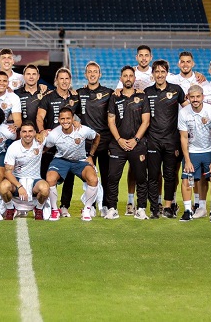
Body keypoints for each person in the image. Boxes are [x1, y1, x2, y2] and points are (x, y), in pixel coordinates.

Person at [105, 66, 151, 220]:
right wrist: (119, 140)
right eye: (125, 76)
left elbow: (146, 121)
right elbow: (111, 121)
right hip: (118, 145)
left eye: (131, 75)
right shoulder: (114, 97)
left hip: (137, 145)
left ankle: (142, 208)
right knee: (112, 178)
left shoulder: (142, 97)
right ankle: (112, 208)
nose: (128, 78)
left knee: (141, 177)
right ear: (121, 79)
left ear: (135, 79)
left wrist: (135, 139)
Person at [143, 59, 186, 218]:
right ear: (152, 74)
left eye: (162, 72)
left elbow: (188, 109)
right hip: (153, 140)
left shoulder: (176, 90)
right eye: (157, 72)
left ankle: (168, 207)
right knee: (153, 176)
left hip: (171, 141)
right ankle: (155, 208)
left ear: (167, 73)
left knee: (169, 175)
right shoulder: (147, 92)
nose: (159, 75)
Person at [36, 67, 81, 216]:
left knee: (69, 177)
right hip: (51, 145)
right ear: (56, 81)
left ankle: (64, 206)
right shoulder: (48, 97)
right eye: (61, 78)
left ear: (70, 81)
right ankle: (46, 204)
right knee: (46, 175)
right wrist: (42, 130)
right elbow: (39, 117)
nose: (64, 81)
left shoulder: (75, 98)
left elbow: (81, 117)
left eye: (67, 79)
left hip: (69, 144)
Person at [43, 107, 101, 221]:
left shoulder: (83, 130)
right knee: (50, 179)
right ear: (59, 119)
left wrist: (91, 156)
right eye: (62, 119)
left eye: (68, 118)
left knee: (93, 179)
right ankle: (54, 210)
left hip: (80, 161)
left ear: (73, 118)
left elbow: (97, 136)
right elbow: (45, 148)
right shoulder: (54, 134)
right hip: (61, 160)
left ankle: (87, 210)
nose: (65, 121)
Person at [177, 84, 211, 222]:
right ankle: (187, 211)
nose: (195, 99)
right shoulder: (184, 112)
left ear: (202, 97)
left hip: (209, 151)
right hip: (192, 152)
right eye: (192, 97)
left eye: (198, 96)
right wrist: (187, 160)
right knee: (187, 179)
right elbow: (183, 137)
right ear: (188, 98)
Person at [76, 61, 113, 215]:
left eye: (95, 71)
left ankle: (105, 206)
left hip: (104, 141)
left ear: (100, 74)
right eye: (89, 72)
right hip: (86, 143)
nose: (92, 74)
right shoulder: (79, 93)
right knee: (88, 177)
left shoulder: (109, 93)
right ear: (85, 75)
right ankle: (89, 206)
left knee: (106, 175)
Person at [0, 121, 51, 220]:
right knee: (3, 186)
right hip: (17, 179)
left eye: (30, 131)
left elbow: (58, 131)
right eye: (24, 131)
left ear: (35, 132)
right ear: (20, 133)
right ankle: (10, 208)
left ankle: (38, 209)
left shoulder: (40, 141)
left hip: (35, 179)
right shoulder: (14, 147)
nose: (27, 134)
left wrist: (43, 132)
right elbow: (7, 172)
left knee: (45, 188)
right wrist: (19, 187)